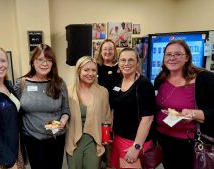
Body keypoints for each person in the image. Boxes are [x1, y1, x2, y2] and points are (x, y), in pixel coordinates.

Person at [154, 40, 214, 169]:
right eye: (168, 54)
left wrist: (194, 114)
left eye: (177, 54)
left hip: (190, 144)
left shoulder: (205, 79)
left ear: (187, 57)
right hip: (163, 141)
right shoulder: (161, 79)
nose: (172, 58)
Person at [14, 44, 70, 169]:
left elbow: (65, 109)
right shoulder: (22, 84)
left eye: (49, 60)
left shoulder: (59, 83)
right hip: (32, 139)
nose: (45, 63)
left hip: (56, 137)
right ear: (33, 62)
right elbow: (13, 110)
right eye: (40, 59)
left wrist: (63, 120)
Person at [109, 48, 156, 169]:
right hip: (118, 138)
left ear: (137, 63)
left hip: (135, 142)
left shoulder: (144, 85)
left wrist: (136, 147)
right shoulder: (118, 81)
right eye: (123, 60)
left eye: (131, 60)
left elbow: (148, 118)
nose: (126, 63)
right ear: (118, 63)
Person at [65, 56, 113, 169]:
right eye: (86, 70)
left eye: (93, 70)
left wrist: (106, 139)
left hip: (94, 141)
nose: (90, 73)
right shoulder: (68, 91)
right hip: (73, 140)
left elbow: (107, 117)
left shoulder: (103, 92)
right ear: (78, 71)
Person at [95, 39, 119, 169]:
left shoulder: (120, 67)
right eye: (105, 49)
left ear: (114, 51)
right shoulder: (95, 67)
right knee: (98, 137)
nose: (108, 51)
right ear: (101, 51)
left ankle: (110, 163)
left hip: (115, 110)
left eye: (110, 49)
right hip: (98, 109)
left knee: (110, 138)